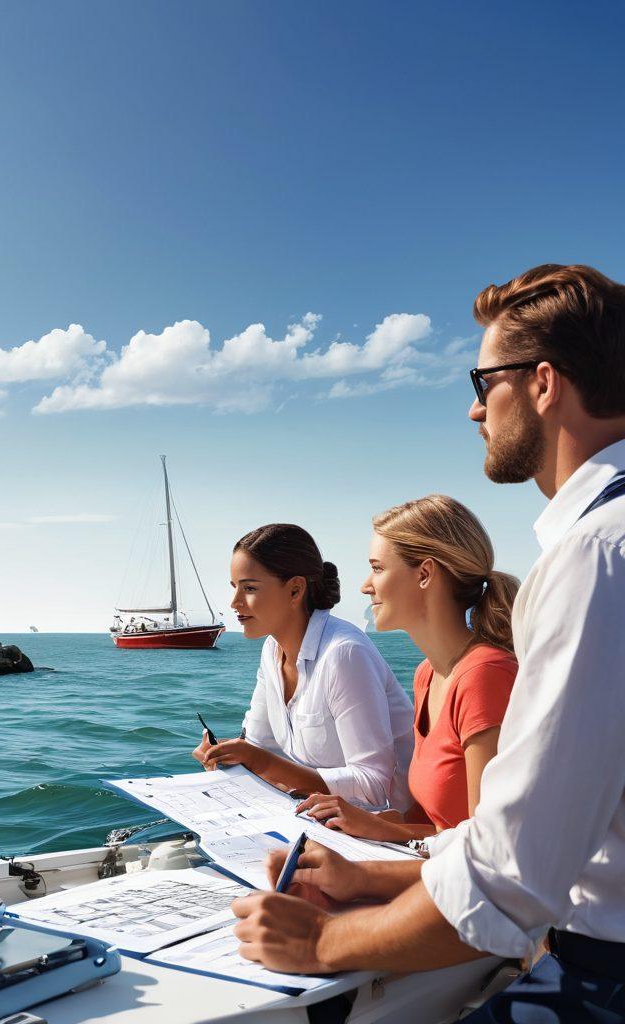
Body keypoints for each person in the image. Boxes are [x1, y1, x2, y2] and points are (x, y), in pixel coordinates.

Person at [231, 264, 625, 1021]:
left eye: (485, 383)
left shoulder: (595, 556)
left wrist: (321, 945)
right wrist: (367, 878)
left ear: (543, 384)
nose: (475, 411)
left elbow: (513, 873)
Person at [296, 495, 519, 845]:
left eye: (378, 568)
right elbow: (433, 822)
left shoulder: (486, 677)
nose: (365, 586)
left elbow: (489, 852)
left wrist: (378, 838)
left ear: (425, 574)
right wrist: (364, 822)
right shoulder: (427, 675)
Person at [193, 523, 414, 810]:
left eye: (249, 588)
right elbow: (258, 745)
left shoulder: (344, 654)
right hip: (315, 817)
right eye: (234, 587)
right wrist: (225, 754)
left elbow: (375, 787)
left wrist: (259, 761)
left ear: (295, 590)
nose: (235, 602)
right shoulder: (272, 650)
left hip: (383, 828)